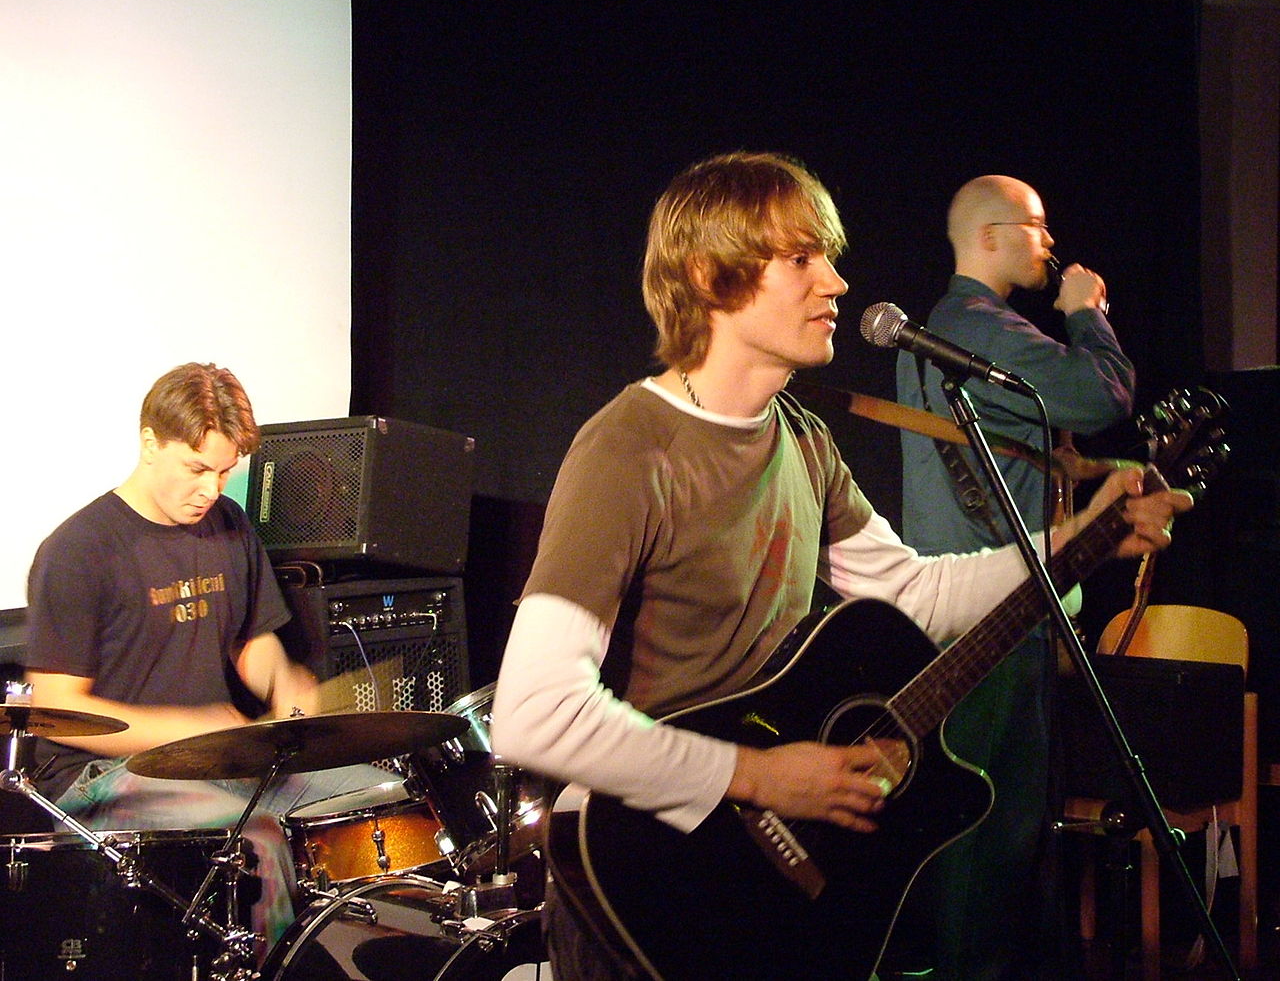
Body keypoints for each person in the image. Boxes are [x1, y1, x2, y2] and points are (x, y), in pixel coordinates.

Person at [490, 153, 1184, 979]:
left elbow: (914, 591)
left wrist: (1081, 543)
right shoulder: (629, 447)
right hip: (645, 881)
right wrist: (758, 776)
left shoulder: (805, 443)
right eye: (802, 259)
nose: (836, 283)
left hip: (753, 883)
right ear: (714, 276)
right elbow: (532, 713)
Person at [23, 362, 395, 963]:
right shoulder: (78, 551)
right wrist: (189, 730)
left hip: (214, 761)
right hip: (97, 781)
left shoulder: (229, 527)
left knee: (380, 796)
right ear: (149, 442)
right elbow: (56, 707)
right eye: (196, 469)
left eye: (224, 472)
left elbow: (252, 642)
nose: (211, 490)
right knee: (255, 835)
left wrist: (283, 684)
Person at [895, 174, 1136, 979]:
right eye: (1036, 227)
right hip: (997, 616)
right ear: (991, 237)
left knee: (997, 829)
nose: (1050, 242)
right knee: (996, 832)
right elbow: (1100, 392)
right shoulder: (979, 328)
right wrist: (1083, 310)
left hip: (981, 609)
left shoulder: (960, 331)